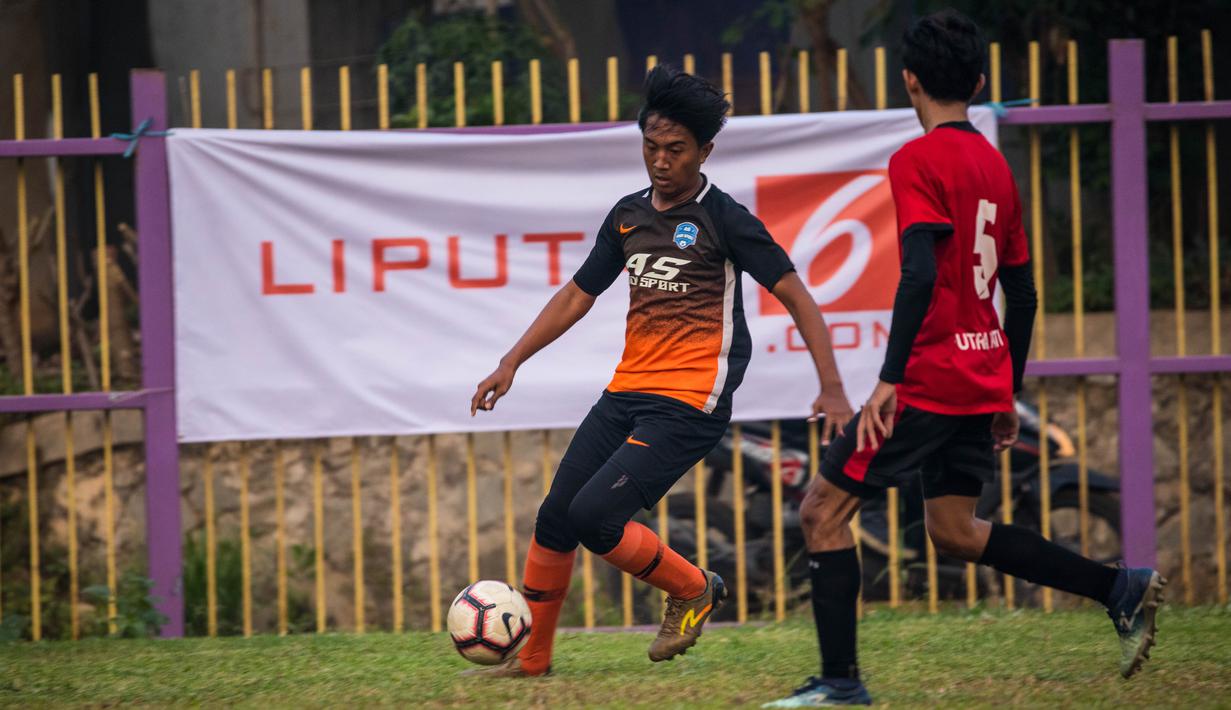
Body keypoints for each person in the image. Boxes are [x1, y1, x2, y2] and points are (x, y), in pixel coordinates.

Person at [765, 10, 1165, 707]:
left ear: (908, 80)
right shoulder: (994, 165)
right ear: (978, 82)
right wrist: (1005, 391)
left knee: (821, 511)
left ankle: (838, 684)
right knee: (953, 529)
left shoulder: (914, 160)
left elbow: (918, 273)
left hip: (929, 380)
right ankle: (1117, 586)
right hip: (977, 380)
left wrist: (889, 379)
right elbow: (1024, 293)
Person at [469, 65, 855, 677]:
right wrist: (511, 361)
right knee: (556, 516)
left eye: (675, 149)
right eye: (651, 146)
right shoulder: (627, 216)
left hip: (690, 403)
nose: (660, 160)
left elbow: (797, 295)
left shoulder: (725, 219)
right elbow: (577, 294)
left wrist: (832, 387)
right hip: (626, 392)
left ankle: (694, 588)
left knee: (595, 517)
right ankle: (532, 662)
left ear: (705, 151)